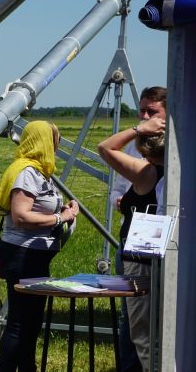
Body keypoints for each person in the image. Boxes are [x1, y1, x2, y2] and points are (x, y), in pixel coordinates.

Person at [0, 121, 79, 371]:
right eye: (55, 140)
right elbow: (21, 215)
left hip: (34, 256)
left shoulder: (39, 172)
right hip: (22, 255)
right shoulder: (27, 172)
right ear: (43, 141)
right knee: (19, 322)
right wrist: (59, 218)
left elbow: (38, 207)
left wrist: (64, 210)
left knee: (32, 321)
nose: (57, 145)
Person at [98, 116, 166, 372]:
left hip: (140, 262)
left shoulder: (146, 171)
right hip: (164, 260)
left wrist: (137, 128)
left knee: (143, 334)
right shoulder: (172, 172)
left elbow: (105, 148)